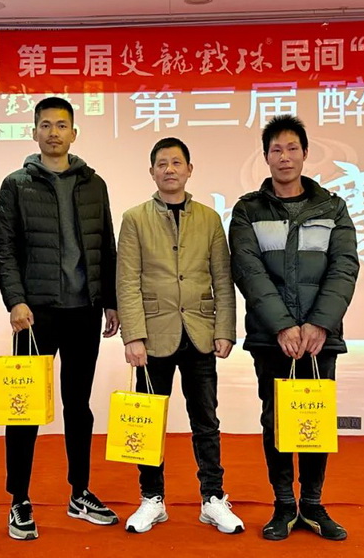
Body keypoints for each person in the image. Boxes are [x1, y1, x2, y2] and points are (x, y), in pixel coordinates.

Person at [0, 96, 120, 541]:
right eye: (45, 125)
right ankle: (19, 498)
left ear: (73, 133)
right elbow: (5, 249)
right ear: (34, 133)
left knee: (78, 407)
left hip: (84, 310)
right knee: (24, 408)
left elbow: (106, 245)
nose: (53, 132)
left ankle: (79, 491)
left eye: (61, 125)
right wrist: (15, 301)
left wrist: (110, 301)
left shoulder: (93, 184)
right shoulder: (16, 185)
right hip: (35, 314)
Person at [229, 114, 359, 542]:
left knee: (315, 418)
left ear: (305, 153)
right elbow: (249, 272)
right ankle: (284, 504)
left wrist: (320, 324)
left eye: (291, 148)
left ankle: (314, 504)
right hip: (271, 339)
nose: (284, 157)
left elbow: (344, 267)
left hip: (322, 339)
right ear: (265, 157)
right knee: (276, 419)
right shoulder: (248, 210)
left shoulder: (332, 208)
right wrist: (283, 326)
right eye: (276, 150)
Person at [117, 137, 244, 535]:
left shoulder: (209, 218)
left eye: (176, 163)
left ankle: (213, 498)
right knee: (149, 421)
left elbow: (222, 278)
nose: (169, 169)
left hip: (200, 332)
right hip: (153, 334)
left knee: (206, 419)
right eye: (162, 163)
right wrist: (132, 335)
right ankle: (151, 499)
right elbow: (127, 280)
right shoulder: (135, 218)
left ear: (190, 169)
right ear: (151, 171)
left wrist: (224, 329)